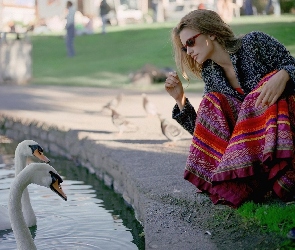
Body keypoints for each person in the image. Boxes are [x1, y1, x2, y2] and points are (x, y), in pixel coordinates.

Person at [165, 9, 295, 208]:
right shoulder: (211, 73)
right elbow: (208, 131)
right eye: (184, 48)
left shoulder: (255, 43)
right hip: (250, 144)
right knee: (211, 102)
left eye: (190, 42)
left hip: (283, 128)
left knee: (262, 89)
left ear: (211, 32)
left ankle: (277, 176)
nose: (189, 51)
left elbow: (291, 65)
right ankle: (243, 182)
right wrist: (180, 98)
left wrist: (284, 74)